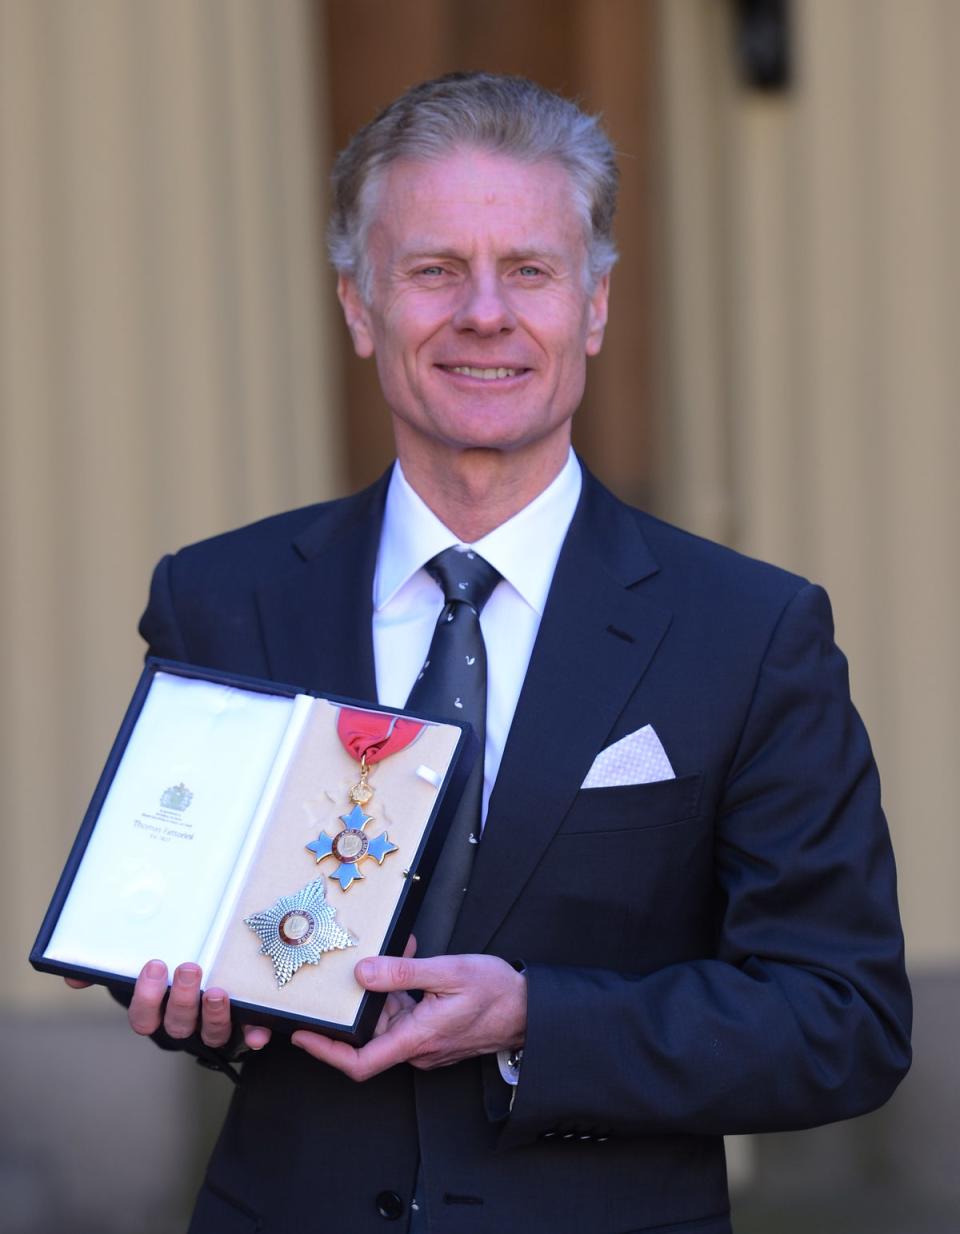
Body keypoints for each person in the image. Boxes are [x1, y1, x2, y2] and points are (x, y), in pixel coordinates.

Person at [70, 72, 911, 1233]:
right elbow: (186, 921)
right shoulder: (223, 596)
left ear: (595, 305)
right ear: (361, 308)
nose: (483, 313)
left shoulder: (750, 633)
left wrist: (535, 1020)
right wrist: (188, 996)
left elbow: (844, 1019)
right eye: (432, 270)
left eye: (528, 269)